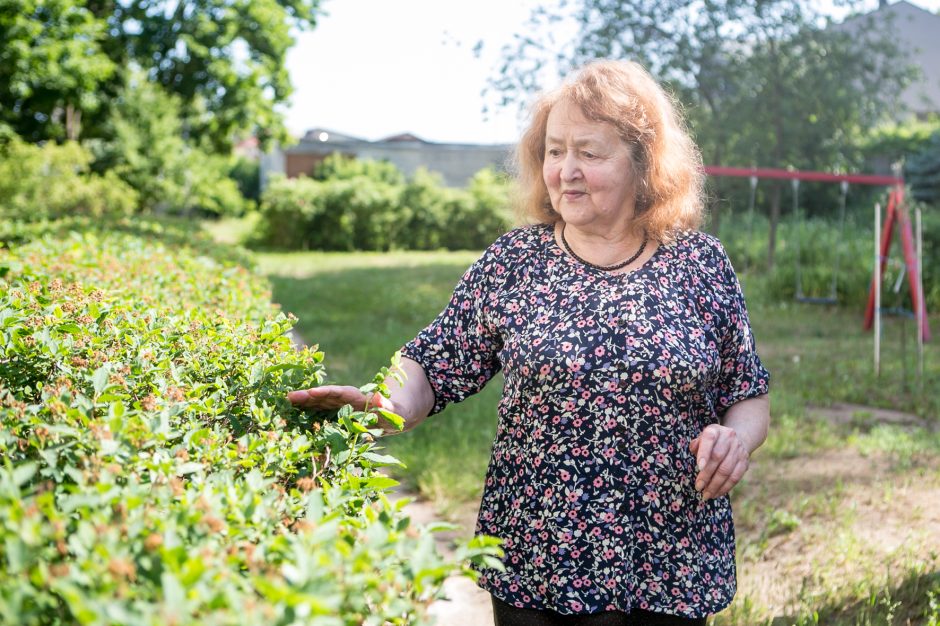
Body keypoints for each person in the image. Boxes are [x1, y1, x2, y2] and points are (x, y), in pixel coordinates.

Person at [287, 59, 770, 625]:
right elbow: (435, 360)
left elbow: (748, 391)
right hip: (537, 555)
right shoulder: (516, 261)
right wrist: (390, 404)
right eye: (555, 150)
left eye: (589, 153)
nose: (566, 169)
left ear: (644, 164)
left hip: (669, 555)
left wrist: (734, 440)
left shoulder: (700, 263)